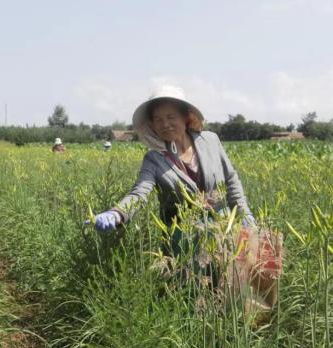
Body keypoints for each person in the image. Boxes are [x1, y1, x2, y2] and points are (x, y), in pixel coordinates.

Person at [89, 86, 255, 259]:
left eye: (171, 117)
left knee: (228, 283)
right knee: (191, 286)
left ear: (186, 117)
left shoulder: (210, 141)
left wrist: (245, 215)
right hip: (183, 243)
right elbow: (139, 194)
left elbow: (231, 179)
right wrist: (117, 213)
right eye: (158, 119)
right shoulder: (154, 159)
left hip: (224, 231)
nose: (165, 124)